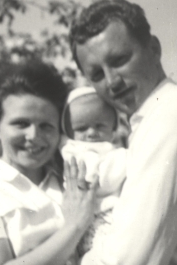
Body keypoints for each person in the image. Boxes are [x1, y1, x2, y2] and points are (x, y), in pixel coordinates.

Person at [69, 0, 177, 265]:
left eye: (119, 60)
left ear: (154, 49)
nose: (112, 82)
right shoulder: (145, 122)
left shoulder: (167, 117)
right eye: (96, 75)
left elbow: (130, 257)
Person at [0, 60, 99, 265]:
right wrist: (74, 226)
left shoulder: (70, 177)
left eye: (46, 126)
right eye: (21, 124)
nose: (33, 135)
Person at [61, 86, 127, 257]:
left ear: (113, 128)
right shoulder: (76, 152)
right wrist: (127, 159)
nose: (91, 133)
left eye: (100, 126)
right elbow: (98, 181)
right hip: (95, 218)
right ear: (69, 131)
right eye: (82, 128)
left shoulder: (109, 149)